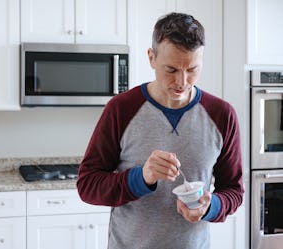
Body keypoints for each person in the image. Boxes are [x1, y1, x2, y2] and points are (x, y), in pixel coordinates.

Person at [76, 12, 244, 249]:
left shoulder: (222, 115)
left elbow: (234, 190)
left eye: (192, 69)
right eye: (172, 70)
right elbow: (88, 186)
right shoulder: (121, 109)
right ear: (151, 58)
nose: (182, 82)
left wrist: (211, 206)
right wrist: (141, 178)